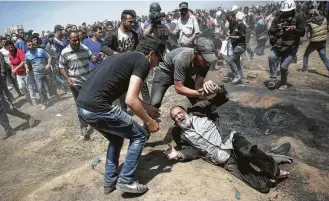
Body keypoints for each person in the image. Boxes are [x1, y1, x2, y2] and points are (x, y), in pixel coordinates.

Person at [76, 35, 165, 194]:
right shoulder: (142, 61)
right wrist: (149, 121)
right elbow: (131, 100)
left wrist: (147, 107)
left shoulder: (123, 57)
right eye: (158, 58)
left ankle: (109, 182)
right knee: (140, 135)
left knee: (116, 138)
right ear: (152, 54)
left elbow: (127, 93)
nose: (157, 64)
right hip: (98, 107)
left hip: (83, 108)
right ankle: (126, 180)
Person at [166, 92, 292, 193]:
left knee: (247, 151)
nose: (179, 117)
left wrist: (218, 89)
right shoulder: (180, 134)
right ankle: (271, 164)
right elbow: (191, 150)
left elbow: (220, 99)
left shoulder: (199, 112)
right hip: (226, 160)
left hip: (231, 141)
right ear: (175, 121)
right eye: (175, 117)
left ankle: (276, 171)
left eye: (180, 113)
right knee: (264, 187)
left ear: (185, 112)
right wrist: (180, 154)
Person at [150, 37, 218, 109]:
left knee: (200, 101)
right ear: (196, 54)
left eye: (209, 58)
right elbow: (179, 89)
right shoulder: (183, 58)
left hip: (184, 74)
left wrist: (205, 92)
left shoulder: (206, 63)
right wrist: (200, 93)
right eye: (205, 58)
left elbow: (198, 85)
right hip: (165, 72)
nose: (207, 61)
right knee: (155, 103)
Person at [59, 31, 103, 139]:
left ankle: (97, 121)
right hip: (75, 83)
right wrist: (68, 78)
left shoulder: (84, 48)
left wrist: (98, 57)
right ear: (69, 40)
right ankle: (83, 126)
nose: (77, 41)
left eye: (78, 39)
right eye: (74, 40)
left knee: (92, 101)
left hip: (88, 81)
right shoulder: (65, 52)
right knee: (80, 105)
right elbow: (61, 67)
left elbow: (92, 59)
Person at [268, 0, 305, 90]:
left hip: (291, 45)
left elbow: (302, 32)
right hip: (279, 43)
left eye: (288, 12)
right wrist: (277, 28)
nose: (286, 14)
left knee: (283, 66)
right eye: (284, 12)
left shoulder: (299, 17)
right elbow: (271, 30)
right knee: (272, 57)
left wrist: (293, 29)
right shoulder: (278, 16)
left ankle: (283, 83)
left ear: (292, 10)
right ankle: (273, 79)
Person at [6, 40, 36, 105]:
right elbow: (12, 64)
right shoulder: (9, 54)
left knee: (29, 86)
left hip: (26, 71)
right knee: (21, 87)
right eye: (9, 48)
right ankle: (28, 98)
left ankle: (33, 100)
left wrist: (15, 69)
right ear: (7, 48)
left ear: (14, 46)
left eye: (12, 47)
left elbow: (23, 62)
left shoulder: (19, 51)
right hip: (18, 74)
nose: (11, 49)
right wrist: (12, 71)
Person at [25, 38, 52, 110]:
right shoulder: (27, 55)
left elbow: (49, 56)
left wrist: (48, 64)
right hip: (37, 74)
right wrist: (27, 68)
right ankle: (44, 103)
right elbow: (26, 63)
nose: (31, 46)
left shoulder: (40, 50)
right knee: (40, 89)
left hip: (46, 72)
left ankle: (48, 98)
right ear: (27, 46)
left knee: (49, 86)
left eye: (32, 44)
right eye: (29, 45)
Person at [302, 8, 329, 73]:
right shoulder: (325, 19)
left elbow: (307, 36)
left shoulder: (310, 23)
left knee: (306, 55)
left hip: (314, 43)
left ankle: (305, 69)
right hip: (323, 42)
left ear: (312, 15)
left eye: (310, 15)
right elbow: (327, 29)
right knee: (323, 56)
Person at [226, 11, 247, 85]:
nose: (229, 21)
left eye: (229, 19)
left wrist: (230, 36)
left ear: (233, 17)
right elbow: (230, 31)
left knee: (230, 60)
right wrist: (228, 33)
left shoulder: (240, 24)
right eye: (227, 20)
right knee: (236, 62)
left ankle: (237, 76)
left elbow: (241, 36)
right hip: (235, 45)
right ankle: (241, 79)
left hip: (241, 45)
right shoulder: (231, 24)